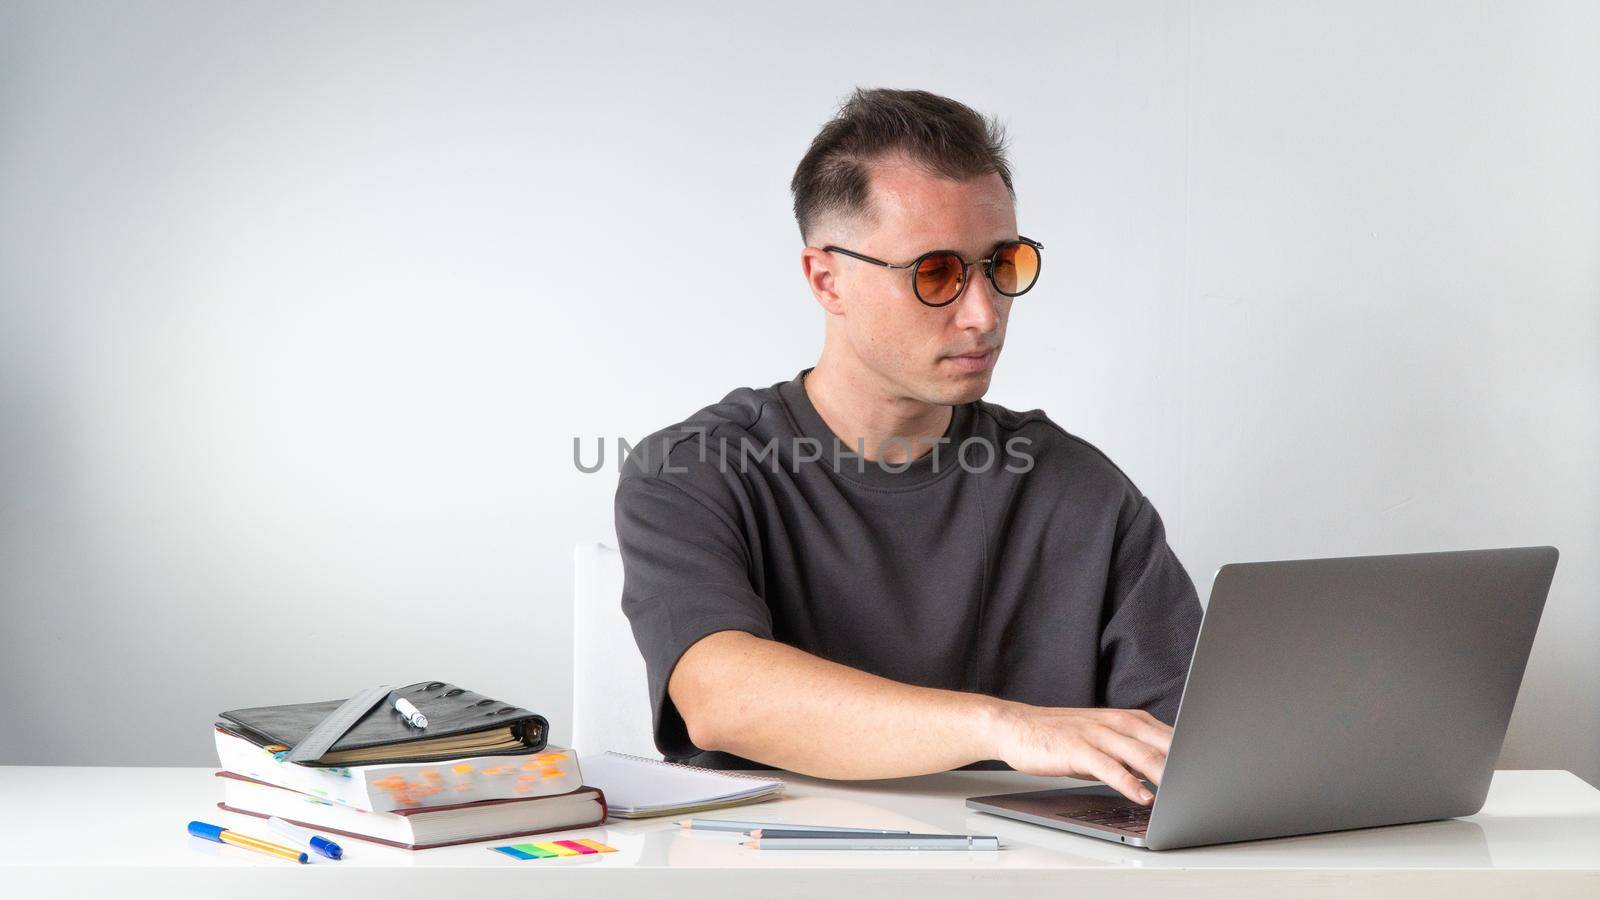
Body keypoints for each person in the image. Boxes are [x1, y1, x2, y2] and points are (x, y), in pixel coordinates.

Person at [613, 87, 1201, 807]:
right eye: (937, 274)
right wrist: (1003, 726)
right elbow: (721, 696)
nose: (983, 314)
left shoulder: (1080, 491)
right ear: (827, 278)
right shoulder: (693, 471)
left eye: (1001, 265)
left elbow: (1193, 751)